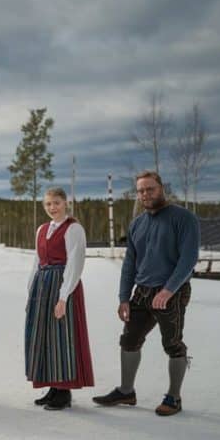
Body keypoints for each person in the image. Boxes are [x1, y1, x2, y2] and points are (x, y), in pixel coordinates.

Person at [93, 170, 200, 416]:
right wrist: (123, 297)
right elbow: (130, 263)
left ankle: (174, 398)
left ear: (161, 188)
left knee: (172, 344)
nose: (145, 194)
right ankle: (126, 391)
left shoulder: (183, 218)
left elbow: (189, 258)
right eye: (141, 190)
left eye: (150, 189)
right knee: (129, 341)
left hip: (171, 291)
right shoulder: (137, 224)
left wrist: (169, 289)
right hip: (141, 292)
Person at [24, 187, 95, 410]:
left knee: (62, 336)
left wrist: (64, 297)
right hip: (42, 285)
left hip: (62, 284)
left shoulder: (73, 228)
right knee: (44, 337)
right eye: (48, 204)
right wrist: (30, 294)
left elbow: (75, 264)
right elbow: (36, 262)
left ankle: (64, 392)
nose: (52, 208)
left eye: (56, 203)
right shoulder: (42, 229)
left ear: (65, 203)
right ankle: (53, 387)